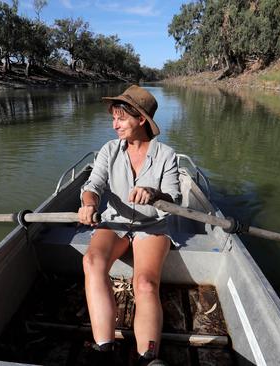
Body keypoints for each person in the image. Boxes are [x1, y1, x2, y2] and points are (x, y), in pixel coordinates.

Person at [78, 85, 181, 366]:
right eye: (113, 118)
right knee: (91, 261)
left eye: (121, 118)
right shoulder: (109, 150)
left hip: (152, 226)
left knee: (146, 284)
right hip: (115, 222)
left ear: (141, 120)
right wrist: (88, 204)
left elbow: (174, 197)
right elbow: (93, 185)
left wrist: (154, 194)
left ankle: (148, 357)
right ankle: (104, 348)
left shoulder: (166, 155)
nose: (115, 125)